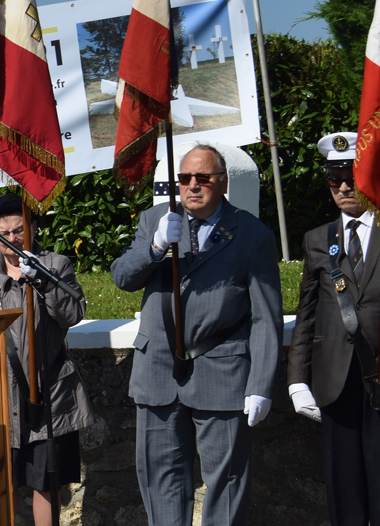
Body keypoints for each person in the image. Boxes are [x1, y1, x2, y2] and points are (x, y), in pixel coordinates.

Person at [110, 144, 282, 526]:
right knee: (160, 480)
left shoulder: (252, 235)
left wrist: (261, 385)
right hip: (157, 370)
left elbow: (266, 318)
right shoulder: (156, 219)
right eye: (184, 178)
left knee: (227, 483)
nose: (192, 186)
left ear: (223, 183)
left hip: (221, 372)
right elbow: (122, 277)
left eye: (202, 178)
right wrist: (155, 247)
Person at [0, 193, 95, 526]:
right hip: (1, 399)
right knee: (1, 481)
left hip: (49, 395)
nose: (12, 239)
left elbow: (72, 314)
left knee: (46, 483)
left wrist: (43, 280)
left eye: (19, 230)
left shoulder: (56, 265)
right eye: (3, 233)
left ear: (34, 227)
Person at [287, 131, 380, 525]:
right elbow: (307, 313)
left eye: (351, 178)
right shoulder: (318, 239)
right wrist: (297, 380)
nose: (343, 188)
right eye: (334, 179)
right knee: (344, 490)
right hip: (335, 379)